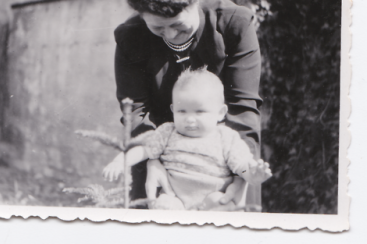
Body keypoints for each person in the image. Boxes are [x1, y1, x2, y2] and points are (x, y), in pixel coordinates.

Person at [114, 0, 262, 207]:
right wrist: (153, 159)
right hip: (159, 151)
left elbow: (242, 108)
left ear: (196, 2)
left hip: (226, 154)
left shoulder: (234, 25)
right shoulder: (131, 37)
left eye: (178, 26)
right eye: (158, 28)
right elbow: (135, 112)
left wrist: (241, 173)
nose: (170, 35)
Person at [104, 69, 271, 210]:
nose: (190, 119)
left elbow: (240, 165)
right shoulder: (168, 132)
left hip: (212, 198)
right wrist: (120, 161)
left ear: (220, 113)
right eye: (182, 111)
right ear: (173, 109)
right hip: (175, 197)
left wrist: (252, 174)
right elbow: (143, 150)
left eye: (199, 112)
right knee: (163, 205)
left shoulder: (226, 137)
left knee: (220, 204)